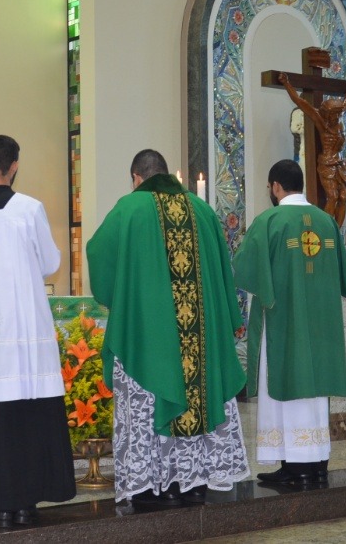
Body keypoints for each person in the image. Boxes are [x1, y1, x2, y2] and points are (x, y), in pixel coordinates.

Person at [87, 149, 250, 507]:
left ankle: (148, 489)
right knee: (196, 398)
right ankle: (192, 483)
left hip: (148, 337)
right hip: (199, 340)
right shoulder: (202, 209)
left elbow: (98, 253)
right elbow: (225, 271)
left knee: (148, 404)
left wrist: (122, 297)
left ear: (136, 178)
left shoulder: (128, 209)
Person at [0, 135, 75, 528]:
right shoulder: (29, 209)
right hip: (23, 331)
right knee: (27, 412)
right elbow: (50, 261)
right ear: (15, 165)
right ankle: (25, 503)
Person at [232, 159, 346, 485]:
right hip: (322, 326)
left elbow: (242, 268)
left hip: (284, 324)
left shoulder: (270, 220)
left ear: (275, 186)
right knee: (314, 394)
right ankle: (316, 462)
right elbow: (344, 274)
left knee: (286, 386)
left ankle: (295, 466)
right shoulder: (327, 222)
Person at [277, 72, 346, 226]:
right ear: (328, 114)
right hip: (327, 163)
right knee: (333, 196)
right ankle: (325, 227)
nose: (337, 117)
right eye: (335, 115)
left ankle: (336, 231)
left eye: (338, 114)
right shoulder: (322, 122)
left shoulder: (339, 120)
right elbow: (300, 101)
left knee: (343, 196)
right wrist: (286, 83)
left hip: (338, 163)